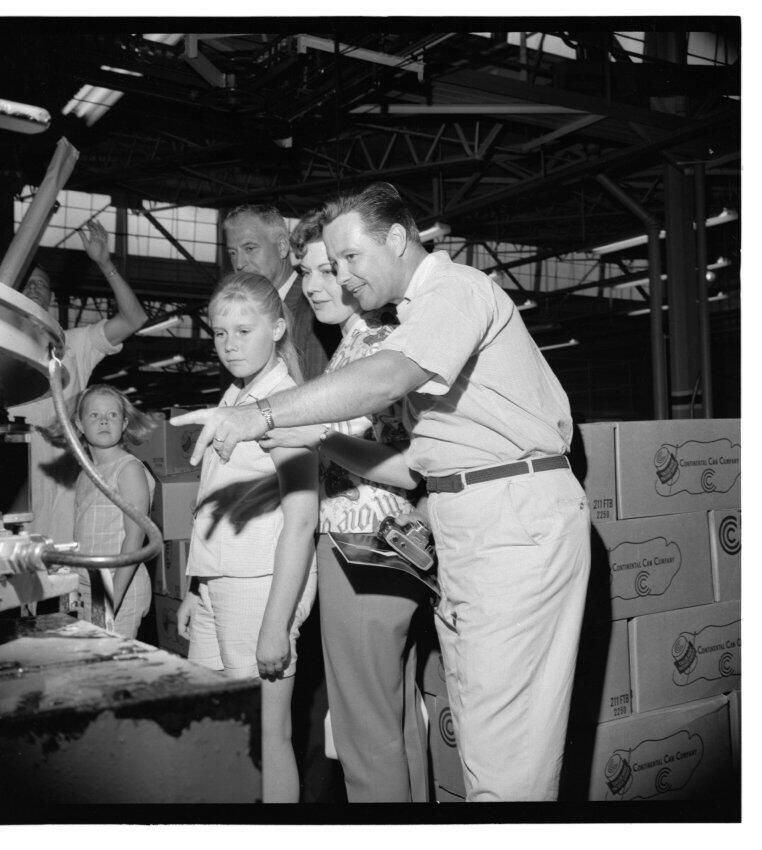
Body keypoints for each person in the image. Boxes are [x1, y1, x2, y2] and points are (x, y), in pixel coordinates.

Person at [173, 182, 592, 803]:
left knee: (505, 756)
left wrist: (264, 413)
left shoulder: (454, 291)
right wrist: (317, 432)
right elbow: (410, 465)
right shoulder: (413, 319)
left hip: (503, 512)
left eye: (348, 258)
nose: (340, 278)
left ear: (397, 239)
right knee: (483, 737)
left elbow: (387, 379)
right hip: (463, 513)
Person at [255, 208, 430, 802]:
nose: (313, 285)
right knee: (394, 725)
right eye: (306, 271)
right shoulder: (355, 343)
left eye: (329, 269)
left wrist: (317, 434)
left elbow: (407, 464)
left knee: (363, 735)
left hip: (363, 547)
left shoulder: (375, 345)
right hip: (383, 551)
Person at [175, 272, 318, 804]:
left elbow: (301, 521)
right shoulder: (237, 395)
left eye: (243, 330)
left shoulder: (283, 403)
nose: (230, 344)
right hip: (218, 581)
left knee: (266, 736)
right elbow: (217, 500)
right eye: (220, 333)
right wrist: (196, 586)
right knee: (218, 726)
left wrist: (277, 625)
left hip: (260, 587)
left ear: (278, 328)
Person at [8, 221, 148, 544]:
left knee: (67, 565)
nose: (33, 288)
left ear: (51, 297)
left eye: (41, 284)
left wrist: (105, 263)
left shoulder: (74, 344)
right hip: (13, 486)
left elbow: (134, 319)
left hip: (66, 487)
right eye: (26, 283)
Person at [41, 384, 156, 638]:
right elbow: (85, 534)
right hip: (90, 583)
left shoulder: (128, 469)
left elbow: (135, 539)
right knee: (89, 655)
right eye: (94, 415)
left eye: (112, 415)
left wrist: (110, 603)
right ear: (79, 425)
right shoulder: (87, 473)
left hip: (117, 584)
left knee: (110, 658)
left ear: (124, 424)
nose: (104, 421)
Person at [223, 204, 340, 380]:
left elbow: (321, 391)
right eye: (232, 253)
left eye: (250, 248)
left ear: (282, 246)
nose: (239, 263)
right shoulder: (245, 316)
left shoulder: (316, 311)